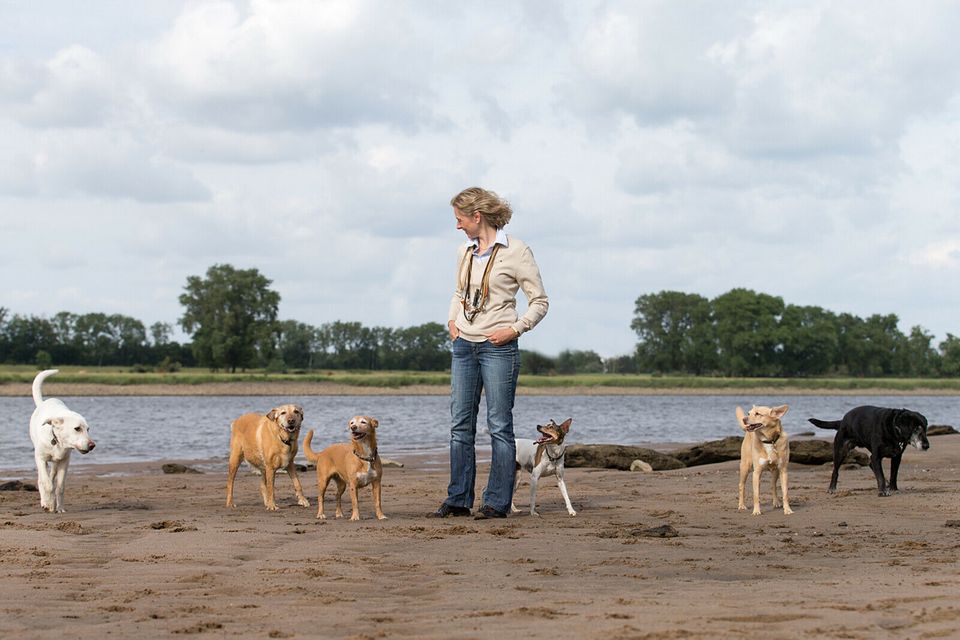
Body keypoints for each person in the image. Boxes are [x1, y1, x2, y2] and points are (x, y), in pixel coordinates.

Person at [430, 187, 549, 519]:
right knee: (460, 425)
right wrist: (452, 321)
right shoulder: (464, 252)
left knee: (498, 424)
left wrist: (515, 328)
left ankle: (496, 502)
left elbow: (540, 301)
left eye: (459, 219)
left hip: (499, 348)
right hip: (463, 346)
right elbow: (459, 291)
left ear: (476, 217)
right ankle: (458, 499)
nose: (457, 226)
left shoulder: (517, 251)